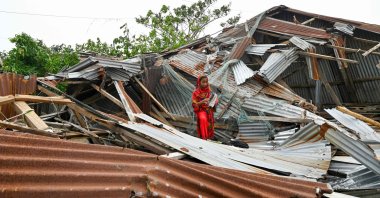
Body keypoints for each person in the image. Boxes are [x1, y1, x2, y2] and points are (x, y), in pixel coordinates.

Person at [192, 75, 218, 140]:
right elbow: (194, 104)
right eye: (203, 82)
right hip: (201, 110)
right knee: (203, 119)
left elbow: (215, 99)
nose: (205, 84)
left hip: (209, 110)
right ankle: (204, 138)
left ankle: (209, 138)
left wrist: (214, 101)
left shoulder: (209, 90)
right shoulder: (196, 92)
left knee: (209, 124)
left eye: (206, 82)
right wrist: (202, 102)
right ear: (199, 82)